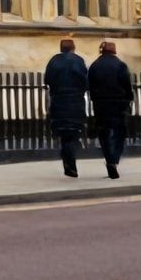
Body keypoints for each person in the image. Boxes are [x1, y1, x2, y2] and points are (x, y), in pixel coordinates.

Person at [88, 39, 134, 180]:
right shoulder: (120, 65)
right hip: (119, 103)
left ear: (102, 51)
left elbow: (90, 85)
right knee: (120, 132)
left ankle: (109, 160)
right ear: (114, 51)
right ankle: (115, 158)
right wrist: (129, 98)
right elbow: (127, 84)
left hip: (101, 104)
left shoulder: (95, 66)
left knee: (104, 133)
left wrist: (95, 99)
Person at [43, 38, 89, 178]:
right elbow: (85, 81)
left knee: (64, 135)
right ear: (73, 48)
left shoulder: (54, 61)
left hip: (58, 102)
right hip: (75, 102)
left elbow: (47, 80)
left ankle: (68, 163)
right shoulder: (78, 61)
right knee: (72, 134)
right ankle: (71, 165)